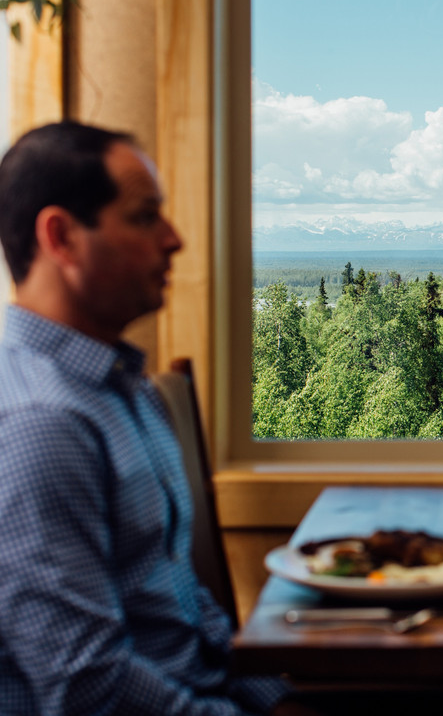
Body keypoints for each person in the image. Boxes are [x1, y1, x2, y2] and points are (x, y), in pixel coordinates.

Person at [0, 122, 314, 714]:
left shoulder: (129, 391)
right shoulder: (41, 425)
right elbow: (88, 688)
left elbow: (182, 611)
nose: (174, 240)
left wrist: (278, 701)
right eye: (146, 217)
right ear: (62, 237)